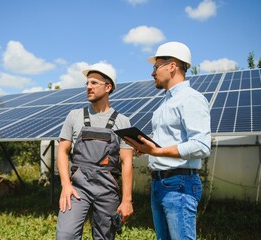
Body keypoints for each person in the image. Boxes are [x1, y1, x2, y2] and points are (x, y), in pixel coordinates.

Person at [124, 41, 211, 240]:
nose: (152, 73)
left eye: (155, 67)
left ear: (172, 66)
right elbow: (168, 139)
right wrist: (147, 147)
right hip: (160, 184)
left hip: (179, 184)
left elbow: (202, 145)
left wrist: (157, 152)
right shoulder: (165, 103)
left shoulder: (190, 99)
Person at [56, 62, 134, 239]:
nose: (88, 87)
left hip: (107, 188)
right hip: (78, 188)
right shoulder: (74, 116)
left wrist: (127, 199)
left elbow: (127, 162)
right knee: (65, 235)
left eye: (94, 83)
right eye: (87, 83)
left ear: (108, 87)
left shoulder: (122, 121)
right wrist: (65, 185)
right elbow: (62, 151)